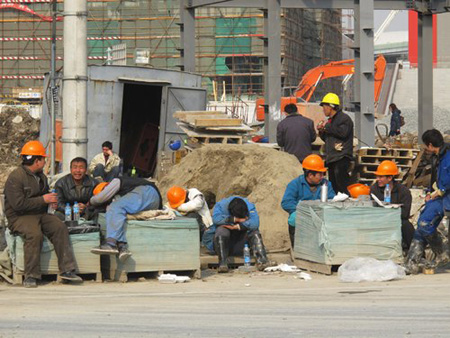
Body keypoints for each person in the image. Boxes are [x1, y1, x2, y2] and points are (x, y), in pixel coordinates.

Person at [3, 141, 82, 288]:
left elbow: (43, 196)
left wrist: (49, 201)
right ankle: (31, 275)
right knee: (34, 234)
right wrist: (43, 200)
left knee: (59, 227)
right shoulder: (16, 177)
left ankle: (67, 270)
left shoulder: (41, 176)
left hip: (39, 214)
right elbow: (18, 205)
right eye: (43, 159)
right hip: (19, 217)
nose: (45, 162)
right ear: (37, 160)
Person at [405, 129, 450, 274]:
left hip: (446, 196)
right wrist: (432, 192)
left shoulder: (448, 156)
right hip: (439, 197)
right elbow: (436, 177)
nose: (425, 149)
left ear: (430, 145)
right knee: (423, 223)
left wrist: (442, 189)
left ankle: (444, 256)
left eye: (425, 146)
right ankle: (415, 260)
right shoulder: (437, 157)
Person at [89, 176, 162, 261]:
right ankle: (122, 246)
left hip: (147, 192)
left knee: (116, 207)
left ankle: (111, 243)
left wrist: (90, 202)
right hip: (154, 200)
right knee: (117, 212)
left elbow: (99, 198)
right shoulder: (121, 196)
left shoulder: (116, 181)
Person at [202, 196, 272, 272]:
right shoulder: (221, 206)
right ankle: (223, 264)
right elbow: (216, 219)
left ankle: (262, 261)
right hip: (223, 246)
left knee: (254, 232)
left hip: (243, 245)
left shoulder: (249, 206)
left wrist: (238, 226)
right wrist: (235, 220)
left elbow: (255, 223)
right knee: (221, 230)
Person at [281, 154, 335, 247]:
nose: (322, 176)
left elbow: (332, 199)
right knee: (293, 218)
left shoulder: (326, 184)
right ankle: (297, 248)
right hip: (302, 216)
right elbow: (286, 202)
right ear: (310, 175)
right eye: (320, 174)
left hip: (320, 216)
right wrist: (303, 211)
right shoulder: (295, 184)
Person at [370, 160, 415, 252]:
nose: (378, 179)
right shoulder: (374, 189)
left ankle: (415, 253)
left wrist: (391, 212)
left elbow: (405, 214)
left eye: (381, 177)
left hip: (396, 220)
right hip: (379, 220)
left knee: (406, 225)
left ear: (390, 178)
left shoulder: (403, 191)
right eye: (377, 176)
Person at [317, 92, 354, 195]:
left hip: (341, 157)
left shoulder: (344, 119)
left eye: (324, 106)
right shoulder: (331, 121)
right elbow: (328, 139)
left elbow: (343, 133)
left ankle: (346, 203)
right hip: (332, 158)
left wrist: (327, 127)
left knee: (342, 184)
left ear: (331, 106)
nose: (323, 109)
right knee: (334, 186)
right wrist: (322, 131)